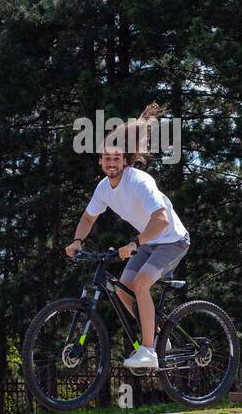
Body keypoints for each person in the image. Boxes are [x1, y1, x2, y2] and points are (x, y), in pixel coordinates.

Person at [64, 103, 189, 369]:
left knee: (141, 283)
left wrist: (134, 243)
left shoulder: (139, 181)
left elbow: (162, 219)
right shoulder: (103, 188)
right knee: (123, 289)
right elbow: (88, 218)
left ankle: (149, 351)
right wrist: (77, 241)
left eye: (116, 158)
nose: (111, 163)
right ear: (100, 161)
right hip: (150, 240)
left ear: (124, 160)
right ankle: (155, 335)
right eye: (106, 158)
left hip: (173, 240)